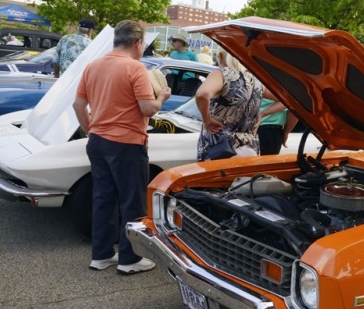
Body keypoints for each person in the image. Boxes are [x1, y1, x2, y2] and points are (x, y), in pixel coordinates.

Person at [72, 20, 171, 275]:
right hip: (127, 143)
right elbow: (148, 109)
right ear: (138, 43)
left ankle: (101, 255)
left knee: (103, 198)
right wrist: (162, 96)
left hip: (98, 141)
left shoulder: (93, 66)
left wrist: (91, 128)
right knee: (132, 201)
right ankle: (130, 259)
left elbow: (78, 105)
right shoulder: (136, 68)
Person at [195, 51, 265, 160]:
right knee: (244, 176)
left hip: (220, 146)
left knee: (216, 176)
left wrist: (207, 119)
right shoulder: (256, 80)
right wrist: (261, 115)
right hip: (249, 146)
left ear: (221, 56)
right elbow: (284, 99)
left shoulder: (221, 74)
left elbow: (202, 94)